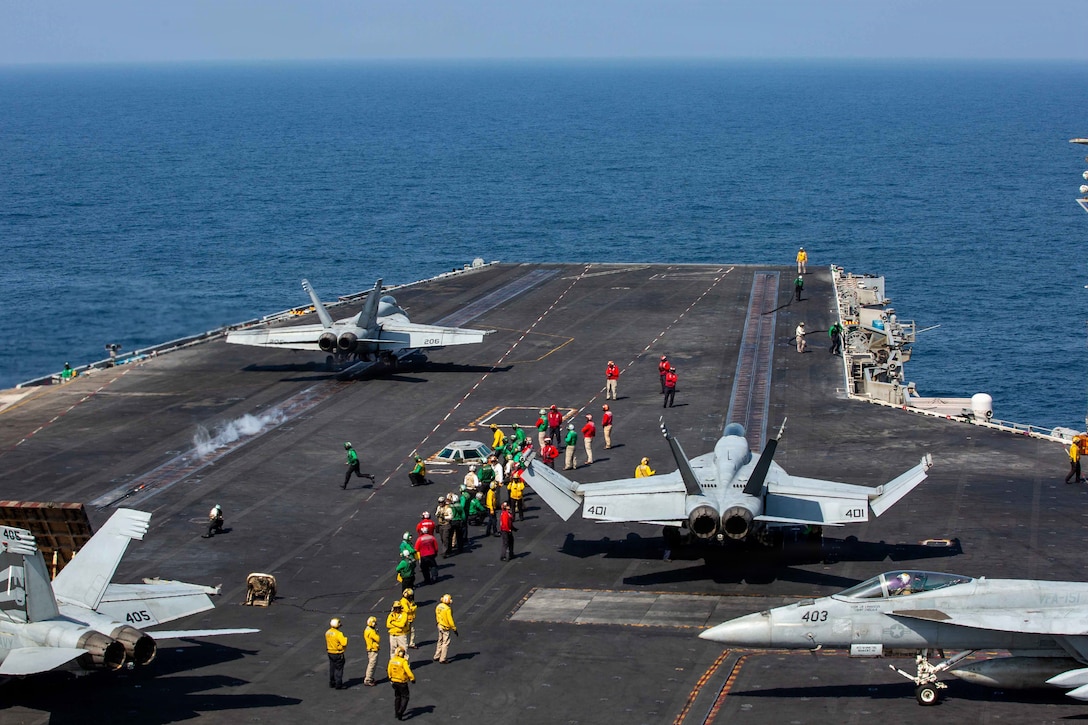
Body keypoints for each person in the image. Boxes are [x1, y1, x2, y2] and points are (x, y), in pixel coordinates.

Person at [387, 645, 415, 721]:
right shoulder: (403, 662)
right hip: (402, 682)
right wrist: (412, 678)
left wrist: (390, 677)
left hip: (394, 682)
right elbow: (408, 671)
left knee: (397, 697)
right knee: (405, 697)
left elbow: (389, 670)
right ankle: (400, 711)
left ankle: (396, 712)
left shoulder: (392, 660)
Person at [434, 594, 457, 664]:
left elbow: (437, 615)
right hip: (445, 627)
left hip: (439, 625)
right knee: (445, 642)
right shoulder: (447, 609)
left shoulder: (438, 606)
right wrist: (454, 628)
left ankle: (436, 655)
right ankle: (442, 658)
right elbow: (450, 620)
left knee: (440, 640)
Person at [325, 617, 348, 689]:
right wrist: (345, 638)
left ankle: (332, 682)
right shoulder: (339, 634)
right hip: (338, 653)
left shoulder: (327, 632)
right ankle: (338, 684)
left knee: (332, 668)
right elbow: (344, 643)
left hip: (330, 652)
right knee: (339, 669)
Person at [363, 616, 380, 686]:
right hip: (373, 649)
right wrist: (376, 633)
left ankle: (369, 677)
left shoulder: (367, 629)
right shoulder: (372, 631)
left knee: (371, 664)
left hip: (370, 648)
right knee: (372, 664)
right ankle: (368, 679)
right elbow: (378, 639)